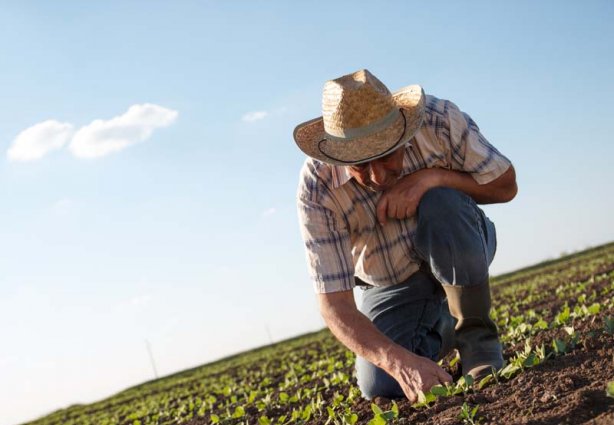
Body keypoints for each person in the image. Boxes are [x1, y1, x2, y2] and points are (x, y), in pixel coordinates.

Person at [293, 69, 517, 403]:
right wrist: (398, 362)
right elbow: (334, 304)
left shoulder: (438, 121)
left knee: (442, 202)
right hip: (391, 284)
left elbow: (506, 185)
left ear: (401, 131)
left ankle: (477, 343)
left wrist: (432, 178)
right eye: (360, 165)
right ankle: (444, 327)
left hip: (461, 243)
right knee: (380, 384)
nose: (377, 176)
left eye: (385, 156)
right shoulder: (317, 187)